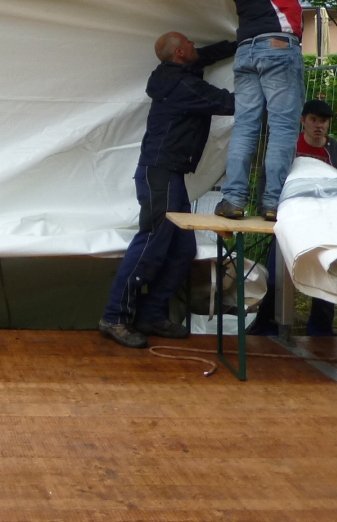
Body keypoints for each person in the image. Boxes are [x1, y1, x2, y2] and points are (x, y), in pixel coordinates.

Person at [100, 32, 237, 348]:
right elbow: (227, 103)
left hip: (169, 174)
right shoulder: (182, 85)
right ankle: (114, 317)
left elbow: (205, 55)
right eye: (188, 42)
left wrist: (240, 41)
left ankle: (151, 314)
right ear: (179, 53)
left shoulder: (175, 74)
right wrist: (267, 92)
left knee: (183, 249)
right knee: (152, 244)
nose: (193, 45)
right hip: (158, 175)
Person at [213, 0, 332, 220]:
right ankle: (273, 202)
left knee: (245, 126)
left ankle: (234, 199)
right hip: (277, 46)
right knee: (282, 127)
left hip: (246, 50)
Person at [246, 99, 337, 337]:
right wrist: (265, 208)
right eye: (314, 120)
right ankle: (266, 324)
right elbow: (267, 176)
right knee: (277, 275)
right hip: (288, 219)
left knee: (325, 275)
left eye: (324, 121)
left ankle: (320, 331)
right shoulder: (287, 148)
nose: (319, 126)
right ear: (303, 121)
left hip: (325, 223)